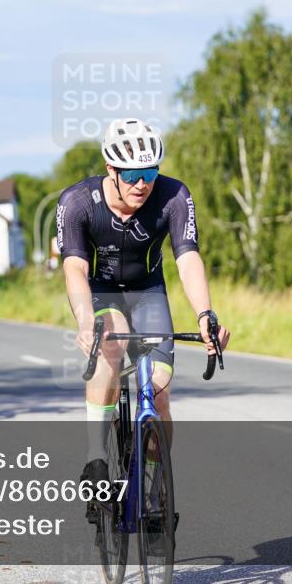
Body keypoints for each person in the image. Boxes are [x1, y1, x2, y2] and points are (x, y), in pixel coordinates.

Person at [55, 117, 231, 489]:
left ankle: (153, 487)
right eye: (133, 175)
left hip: (148, 292)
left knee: (159, 392)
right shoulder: (78, 202)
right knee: (112, 341)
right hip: (101, 290)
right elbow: (74, 268)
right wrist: (86, 320)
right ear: (111, 169)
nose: (142, 184)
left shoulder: (174, 195)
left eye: (150, 173)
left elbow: (188, 258)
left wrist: (205, 314)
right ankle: (96, 458)